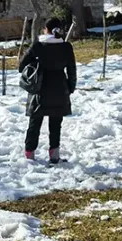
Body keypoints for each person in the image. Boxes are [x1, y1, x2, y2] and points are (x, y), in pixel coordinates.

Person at [19, 18, 77, 164]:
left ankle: (29, 154)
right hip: (59, 88)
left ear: (46, 29)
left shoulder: (38, 46)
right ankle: (54, 155)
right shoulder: (66, 47)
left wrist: (36, 62)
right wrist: (70, 88)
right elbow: (72, 70)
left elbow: (21, 66)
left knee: (35, 123)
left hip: (39, 90)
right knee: (56, 124)